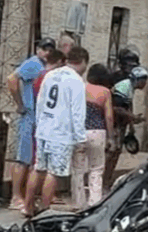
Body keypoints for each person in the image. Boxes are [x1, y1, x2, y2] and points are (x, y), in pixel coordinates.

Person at [25, 46, 89, 217]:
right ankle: (45, 211)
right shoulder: (76, 81)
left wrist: (39, 124)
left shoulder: (51, 75)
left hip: (44, 129)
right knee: (53, 173)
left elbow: (40, 102)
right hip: (61, 133)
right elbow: (77, 112)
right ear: (83, 62)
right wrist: (80, 138)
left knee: (38, 168)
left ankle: (28, 206)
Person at [6, 37, 55, 210]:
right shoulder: (33, 63)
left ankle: (23, 196)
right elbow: (12, 79)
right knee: (23, 158)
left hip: (36, 117)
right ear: (38, 48)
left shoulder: (41, 66)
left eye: (50, 49)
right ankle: (15, 196)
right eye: (44, 48)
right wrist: (20, 104)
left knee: (31, 158)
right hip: (29, 116)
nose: (46, 52)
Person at [72, 64, 114, 209]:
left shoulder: (80, 87)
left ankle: (79, 203)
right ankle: (94, 203)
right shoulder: (105, 92)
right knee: (96, 169)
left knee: (78, 169)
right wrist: (111, 137)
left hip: (80, 132)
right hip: (97, 132)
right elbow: (108, 117)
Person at [104, 66, 148, 188]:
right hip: (115, 124)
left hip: (120, 124)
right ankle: (103, 181)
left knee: (115, 153)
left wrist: (131, 124)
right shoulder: (124, 87)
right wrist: (132, 117)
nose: (145, 83)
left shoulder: (130, 87)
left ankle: (107, 180)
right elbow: (116, 108)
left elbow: (126, 106)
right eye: (144, 80)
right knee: (111, 153)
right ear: (139, 80)